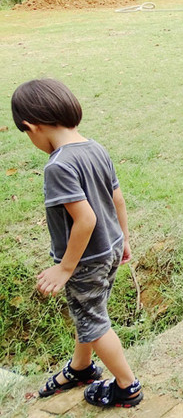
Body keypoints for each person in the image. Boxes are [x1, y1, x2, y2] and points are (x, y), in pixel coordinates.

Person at [10, 79, 143, 408]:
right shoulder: (95, 147)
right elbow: (118, 199)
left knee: (94, 323)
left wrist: (65, 268)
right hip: (111, 247)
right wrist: (124, 238)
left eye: (27, 135)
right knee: (89, 313)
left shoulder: (58, 166)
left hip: (86, 260)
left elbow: (86, 220)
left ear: (32, 127)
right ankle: (81, 367)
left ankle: (127, 387)